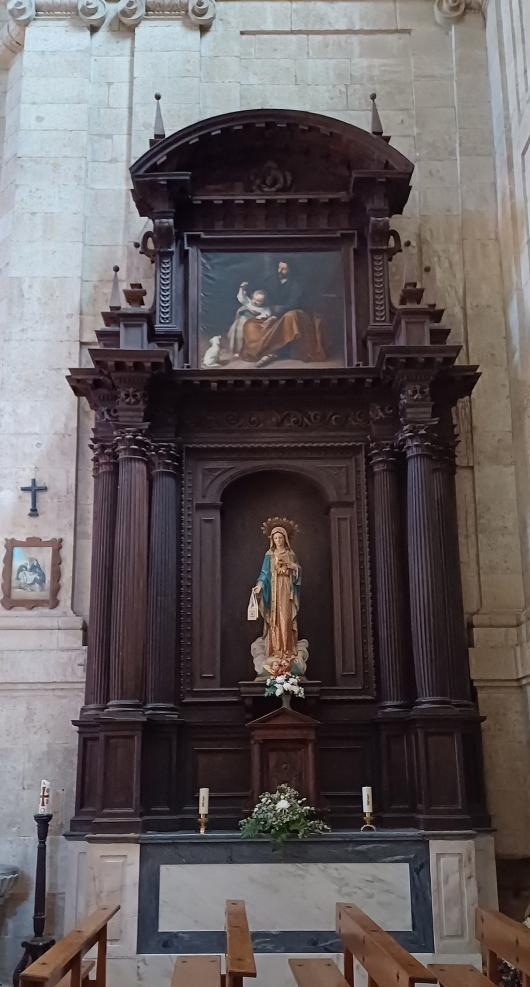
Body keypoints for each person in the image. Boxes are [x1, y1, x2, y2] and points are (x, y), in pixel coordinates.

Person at [238, 260, 326, 367]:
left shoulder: (296, 284)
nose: (280, 271)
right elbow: (266, 298)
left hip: (295, 314)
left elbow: (294, 304)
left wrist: (275, 315)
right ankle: (266, 351)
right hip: (273, 313)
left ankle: (270, 352)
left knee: (290, 317)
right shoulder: (272, 281)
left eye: (284, 269)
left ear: (291, 270)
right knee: (250, 324)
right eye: (279, 268)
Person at [253, 526, 301, 669]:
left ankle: (287, 650)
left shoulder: (290, 553)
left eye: (280, 537)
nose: (278, 540)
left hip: (286, 590)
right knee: (274, 619)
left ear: (284, 538)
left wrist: (293, 567)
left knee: (285, 618)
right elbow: (264, 573)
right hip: (273, 591)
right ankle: (275, 650)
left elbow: (298, 571)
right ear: (272, 540)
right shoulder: (269, 554)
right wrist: (259, 586)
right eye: (275, 538)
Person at [227, 283, 271, 357]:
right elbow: (241, 298)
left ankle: (244, 350)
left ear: (264, 301)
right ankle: (236, 350)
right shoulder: (248, 302)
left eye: (258, 301)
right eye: (254, 299)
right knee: (236, 333)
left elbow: (266, 315)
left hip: (252, 326)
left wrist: (258, 317)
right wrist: (242, 288)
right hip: (240, 324)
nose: (255, 301)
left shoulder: (264, 309)